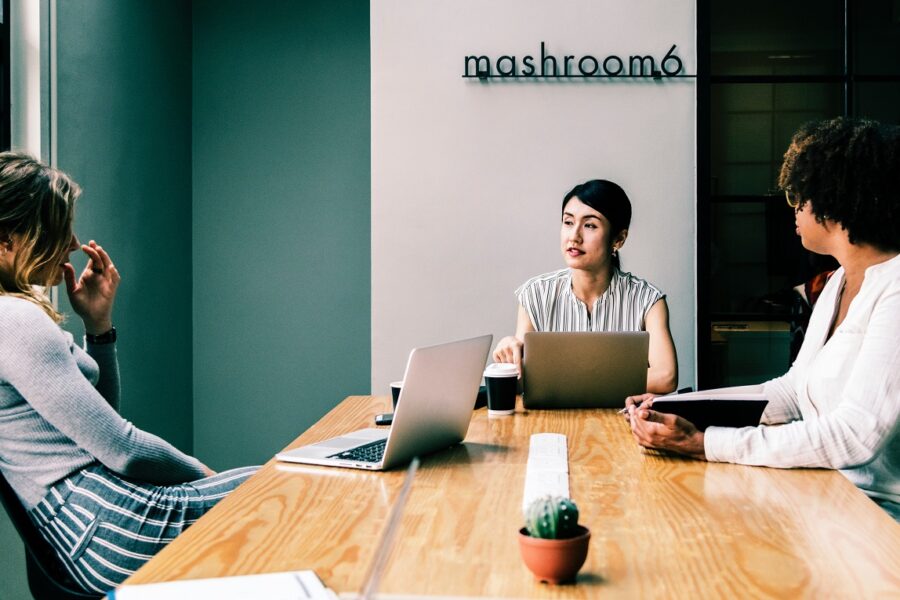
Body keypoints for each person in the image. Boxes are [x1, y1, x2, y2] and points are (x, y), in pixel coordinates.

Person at [0, 152, 258, 593]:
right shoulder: (15, 319)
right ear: (7, 239)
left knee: (281, 493)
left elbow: (96, 427)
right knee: (285, 490)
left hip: (94, 528)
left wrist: (98, 327)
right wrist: (209, 477)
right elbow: (122, 447)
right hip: (107, 525)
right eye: (58, 230)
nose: (71, 243)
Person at [626, 117, 900, 521]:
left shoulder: (894, 290)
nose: (793, 209)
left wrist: (705, 443)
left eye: (797, 195)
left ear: (833, 199)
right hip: (825, 495)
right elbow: (789, 392)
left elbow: (854, 437)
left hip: (876, 519)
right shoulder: (839, 281)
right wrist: (678, 405)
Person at [493, 179, 678, 394]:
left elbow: (666, 377)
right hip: (551, 425)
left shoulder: (648, 300)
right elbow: (522, 380)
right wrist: (508, 352)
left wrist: (564, 379)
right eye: (568, 222)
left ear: (618, 239)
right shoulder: (535, 294)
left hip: (622, 423)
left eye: (590, 225)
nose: (574, 236)